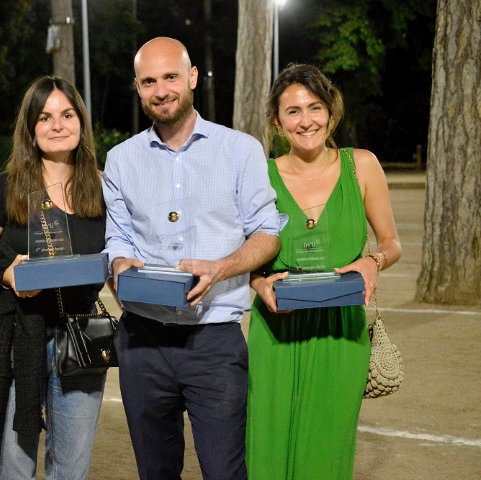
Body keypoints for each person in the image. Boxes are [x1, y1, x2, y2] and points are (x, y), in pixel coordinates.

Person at [102, 37, 282, 480]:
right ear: (138, 88)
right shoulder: (121, 160)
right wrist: (119, 265)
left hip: (214, 341)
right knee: (156, 471)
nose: (161, 90)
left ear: (192, 77)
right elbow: (118, 238)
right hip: (142, 343)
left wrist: (221, 267)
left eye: (170, 77)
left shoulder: (240, 150)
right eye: (149, 81)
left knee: (224, 470)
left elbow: (268, 233)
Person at [246, 63, 403, 479]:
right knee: (268, 449)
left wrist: (373, 262)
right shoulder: (260, 176)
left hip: (340, 331)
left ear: (331, 112)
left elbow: (391, 243)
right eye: (292, 111)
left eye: (315, 107)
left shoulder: (362, 166)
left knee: (326, 452)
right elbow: (245, 257)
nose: (306, 120)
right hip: (277, 331)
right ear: (277, 121)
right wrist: (259, 283)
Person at [0, 75, 107, 480]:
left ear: (80, 121)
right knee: (14, 468)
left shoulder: (104, 188)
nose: (57, 125)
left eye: (67, 114)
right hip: (19, 335)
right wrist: (8, 273)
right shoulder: (4, 187)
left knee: (71, 468)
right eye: (45, 117)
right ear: (31, 129)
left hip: (82, 337)